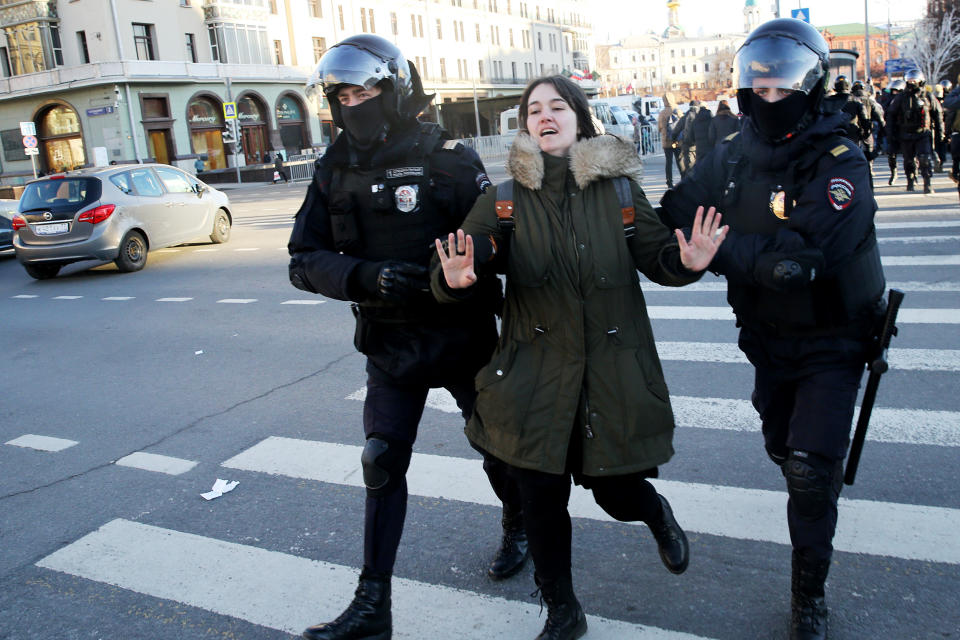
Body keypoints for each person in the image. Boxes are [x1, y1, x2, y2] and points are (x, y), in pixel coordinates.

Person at [432, 75, 727, 640]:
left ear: (579, 117)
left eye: (556, 106)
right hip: (535, 373)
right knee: (540, 497)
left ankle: (655, 513)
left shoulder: (617, 190)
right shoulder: (504, 196)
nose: (545, 116)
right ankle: (562, 609)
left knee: (616, 490)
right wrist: (459, 279)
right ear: (526, 125)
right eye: (534, 110)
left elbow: (657, 256)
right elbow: (470, 254)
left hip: (607, 370)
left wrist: (686, 261)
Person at [287, 34, 526, 640]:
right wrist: (363, 276)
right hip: (390, 345)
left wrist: (463, 272)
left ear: (394, 90)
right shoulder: (334, 167)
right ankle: (373, 606)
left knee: (497, 448)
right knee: (380, 461)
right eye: (342, 94)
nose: (353, 103)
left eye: (365, 90)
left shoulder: (447, 156)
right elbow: (302, 259)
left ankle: (519, 523)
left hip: (462, 336)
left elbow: (498, 245)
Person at [659, 19, 886, 640]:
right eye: (758, 86)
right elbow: (676, 213)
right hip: (767, 342)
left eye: (782, 87)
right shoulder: (730, 154)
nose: (769, 98)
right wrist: (611, 203)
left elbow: (801, 263)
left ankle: (808, 597)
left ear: (809, 86)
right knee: (786, 455)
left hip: (831, 342)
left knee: (811, 473)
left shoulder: (839, 159)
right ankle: (810, 480)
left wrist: (719, 252)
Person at [885, 68, 943, 193]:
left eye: (915, 80)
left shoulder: (928, 96)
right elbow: (891, 115)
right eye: (910, 80)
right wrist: (890, 134)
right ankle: (910, 180)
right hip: (905, 134)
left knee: (924, 158)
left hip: (923, 133)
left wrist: (940, 132)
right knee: (909, 161)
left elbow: (937, 114)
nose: (912, 82)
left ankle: (927, 182)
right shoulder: (901, 98)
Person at [851, 81, 886, 187]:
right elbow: (879, 116)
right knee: (868, 156)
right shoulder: (870, 101)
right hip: (867, 132)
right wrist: (882, 128)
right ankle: (869, 175)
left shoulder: (849, 100)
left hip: (853, 133)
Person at [658, 95, 682, 187]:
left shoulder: (662, 113)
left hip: (667, 141)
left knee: (668, 162)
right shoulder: (678, 111)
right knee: (680, 161)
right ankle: (683, 178)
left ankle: (669, 182)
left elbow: (659, 128)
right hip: (678, 141)